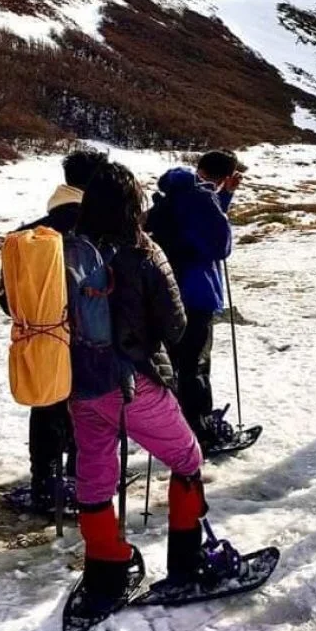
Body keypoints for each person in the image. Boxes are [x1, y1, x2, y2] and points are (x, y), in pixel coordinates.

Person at [70, 161, 245, 607]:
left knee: (95, 469)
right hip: (132, 382)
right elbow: (175, 325)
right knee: (186, 457)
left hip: (80, 383)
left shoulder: (66, 250)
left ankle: (105, 562)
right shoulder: (143, 251)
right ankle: (188, 562)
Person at [0, 147, 107, 514]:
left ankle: (45, 484)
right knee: (89, 412)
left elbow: (6, 300)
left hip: (43, 340)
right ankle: (84, 481)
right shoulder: (104, 233)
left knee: (47, 410)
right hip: (94, 344)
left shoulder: (28, 235)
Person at [145, 150, 245, 451]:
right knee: (196, 364)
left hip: (167, 289)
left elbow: (194, 228)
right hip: (196, 290)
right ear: (226, 176)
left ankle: (174, 424)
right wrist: (221, 204)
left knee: (175, 361)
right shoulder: (202, 199)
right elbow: (219, 246)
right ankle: (200, 430)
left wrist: (223, 197)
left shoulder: (178, 190)